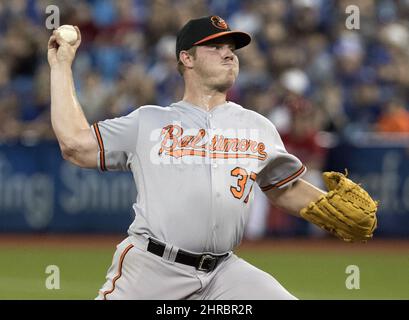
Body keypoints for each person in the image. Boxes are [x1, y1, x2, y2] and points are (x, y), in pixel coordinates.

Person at [47, 15, 377, 300]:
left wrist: (328, 207)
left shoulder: (257, 126)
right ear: (186, 59)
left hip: (223, 274)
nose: (228, 55)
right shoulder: (148, 122)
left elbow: (284, 188)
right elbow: (75, 144)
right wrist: (61, 66)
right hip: (153, 268)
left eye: (231, 49)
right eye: (215, 47)